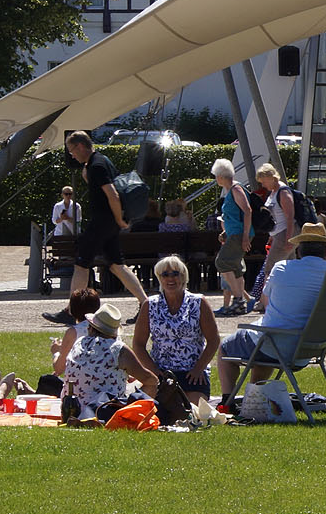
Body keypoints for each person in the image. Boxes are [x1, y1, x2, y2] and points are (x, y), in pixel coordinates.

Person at [215, 223, 326, 403]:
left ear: (299, 250)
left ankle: (227, 401)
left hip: (275, 344)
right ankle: (254, 400)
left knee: (225, 348)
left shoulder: (282, 267)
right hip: (309, 350)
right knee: (266, 339)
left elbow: (265, 301)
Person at [42, 132, 147, 327]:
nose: (71, 155)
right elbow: (102, 189)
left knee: (81, 264)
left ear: (81, 146)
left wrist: (119, 219)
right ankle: (146, 304)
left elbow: (113, 195)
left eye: (72, 151)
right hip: (108, 223)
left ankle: (71, 311)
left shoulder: (96, 166)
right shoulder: (101, 161)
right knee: (117, 265)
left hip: (102, 222)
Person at [134, 255, 220, 407]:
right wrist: (153, 371)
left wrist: (199, 369)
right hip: (162, 373)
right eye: (165, 275)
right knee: (154, 413)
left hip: (192, 374)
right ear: (159, 278)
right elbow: (138, 345)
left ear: (183, 276)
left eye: (175, 273)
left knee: (191, 413)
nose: (170, 278)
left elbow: (214, 341)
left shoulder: (198, 302)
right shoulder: (149, 304)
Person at [66, 304, 157, 422]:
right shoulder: (118, 349)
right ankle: (137, 418)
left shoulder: (78, 342)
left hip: (72, 406)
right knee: (151, 383)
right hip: (104, 409)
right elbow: (149, 378)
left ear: (91, 327)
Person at [211, 158, 255, 317]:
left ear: (221, 176)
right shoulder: (232, 190)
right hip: (235, 233)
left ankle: (238, 301)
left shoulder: (236, 189)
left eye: (216, 175)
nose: (216, 178)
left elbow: (247, 211)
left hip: (239, 234)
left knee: (222, 262)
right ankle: (239, 302)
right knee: (235, 268)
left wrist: (244, 236)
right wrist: (226, 232)